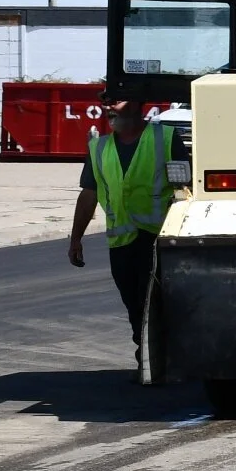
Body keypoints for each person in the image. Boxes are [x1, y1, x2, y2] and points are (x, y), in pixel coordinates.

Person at [68, 101, 174, 364]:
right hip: (121, 240)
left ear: (137, 106)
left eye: (117, 102)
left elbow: (186, 187)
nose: (110, 107)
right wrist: (75, 238)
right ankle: (148, 350)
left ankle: (152, 356)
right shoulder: (99, 147)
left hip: (158, 236)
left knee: (152, 298)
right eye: (109, 104)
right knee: (133, 302)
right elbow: (89, 194)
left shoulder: (166, 139)